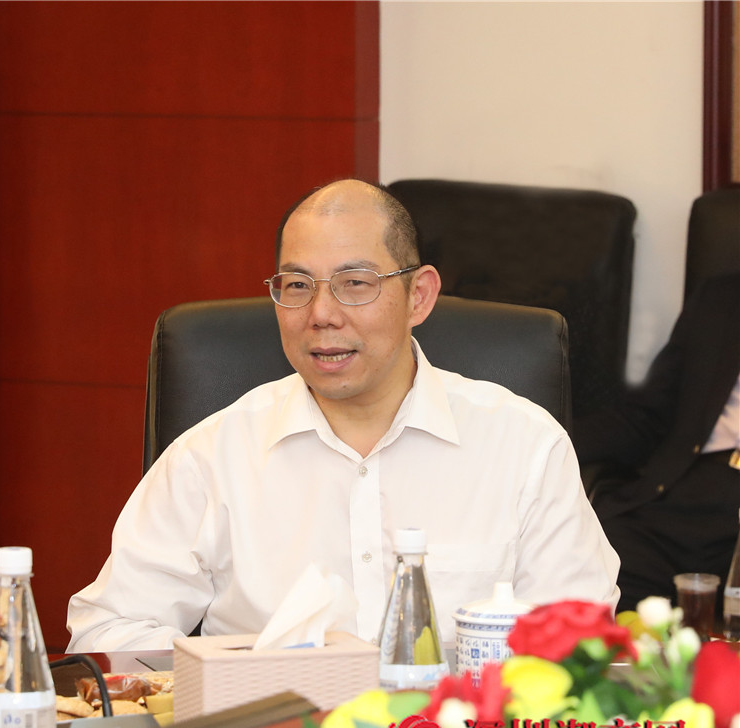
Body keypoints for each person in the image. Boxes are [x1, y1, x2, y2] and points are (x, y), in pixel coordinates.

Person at [67, 179, 619, 652]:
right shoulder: (212, 456)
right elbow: (107, 632)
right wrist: (234, 671)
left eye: (355, 283)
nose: (321, 314)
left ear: (419, 296)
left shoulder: (523, 446)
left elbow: (582, 644)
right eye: (297, 286)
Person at [574, 272, 740, 614]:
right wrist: (548, 438)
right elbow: (648, 416)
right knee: (596, 587)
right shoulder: (721, 295)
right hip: (680, 489)